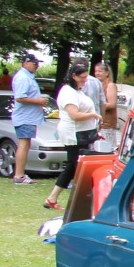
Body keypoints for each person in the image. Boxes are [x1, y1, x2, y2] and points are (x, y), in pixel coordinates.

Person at [42, 64, 99, 209]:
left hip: (82, 133)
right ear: (74, 76)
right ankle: (82, 201)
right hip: (73, 134)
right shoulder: (68, 92)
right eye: (83, 77)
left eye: (86, 77)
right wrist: (93, 115)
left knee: (73, 167)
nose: (85, 80)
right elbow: (74, 115)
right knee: (77, 166)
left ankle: (52, 198)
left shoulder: (77, 91)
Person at [10, 55, 50, 185]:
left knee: (25, 144)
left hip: (29, 117)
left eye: (37, 63)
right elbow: (20, 98)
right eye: (34, 63)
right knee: (24, 144)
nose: (37, 65)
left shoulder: (27, 77)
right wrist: (38, 101)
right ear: (25, 63)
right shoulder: (23, 77)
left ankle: (20, 174)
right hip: (25, 117)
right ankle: (19, 175)